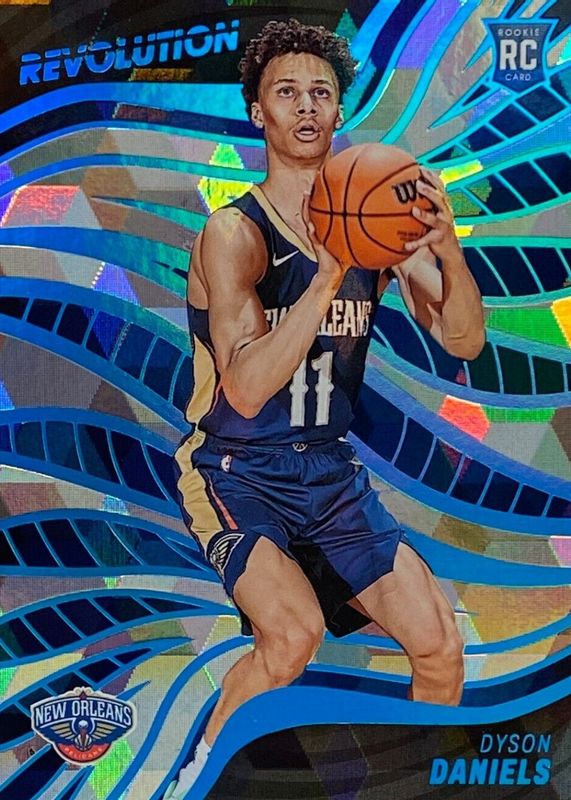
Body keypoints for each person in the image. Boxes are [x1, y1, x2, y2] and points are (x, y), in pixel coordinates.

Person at [166, 17, 485, 799]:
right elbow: (244, 390)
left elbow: (463, 340)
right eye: (286, 93)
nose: (306, 106)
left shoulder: (375, 209)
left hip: (328, 473)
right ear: (258, 112)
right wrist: (326, 275)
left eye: (320, 92)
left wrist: (445, 249)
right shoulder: (233, 233)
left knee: (439, 649)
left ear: (340, 111)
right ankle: (198, 775)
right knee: (291, 637)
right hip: (236, 469)